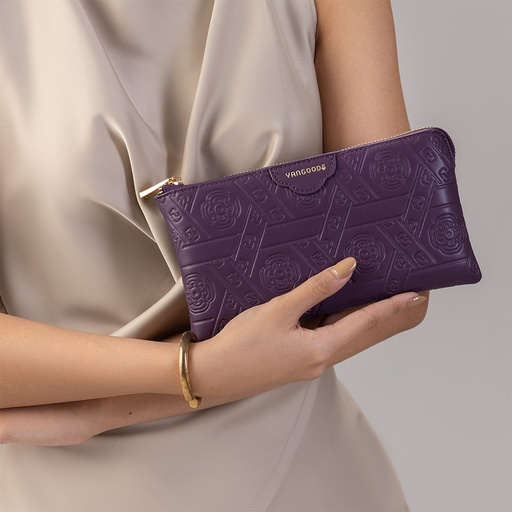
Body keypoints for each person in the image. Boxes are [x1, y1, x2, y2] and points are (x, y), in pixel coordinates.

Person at [0, 0, 429, 510]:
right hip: (61, 489)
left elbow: (400, 274)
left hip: (303, 472)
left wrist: (97, 412)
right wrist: (201, 371)